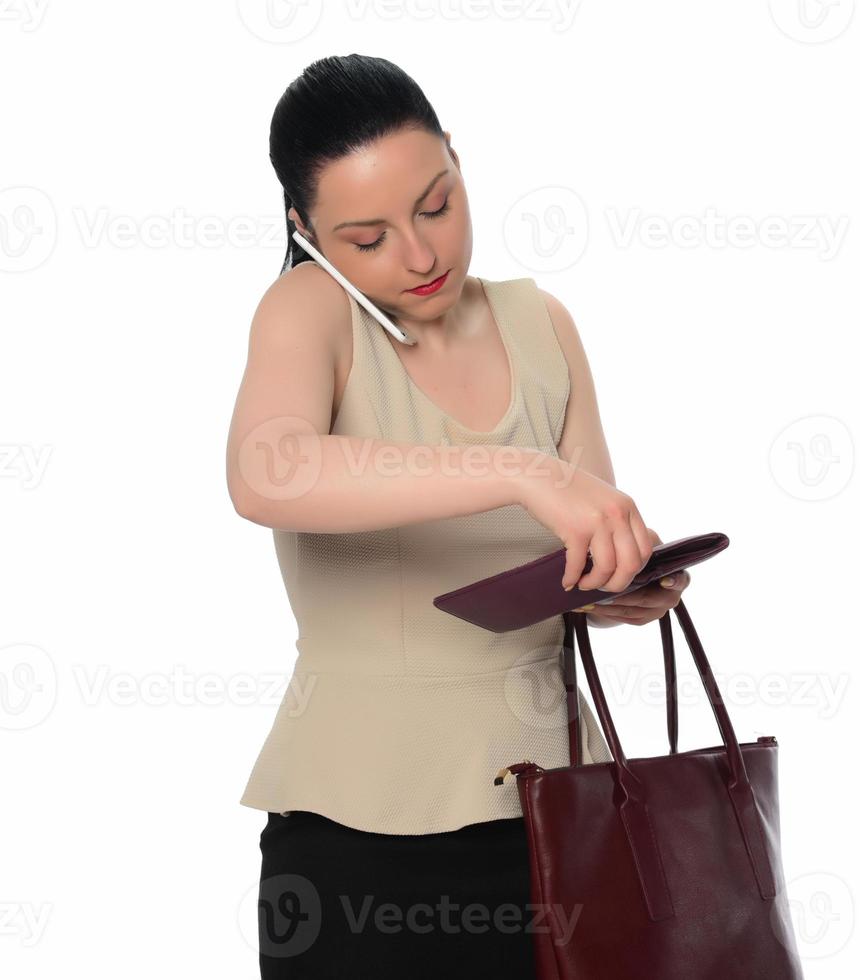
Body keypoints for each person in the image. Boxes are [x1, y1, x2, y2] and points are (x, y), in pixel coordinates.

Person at [224, 54, 693, 977]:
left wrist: (616, 586)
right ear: (305, 231)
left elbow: (575, 545)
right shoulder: (308, 310)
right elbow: (264, 474)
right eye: (367, 237)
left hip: (558, 817)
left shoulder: (542, 323)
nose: (421, 253)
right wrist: (517, 471)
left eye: (436, 205)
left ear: (457, 161)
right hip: (356, 833)